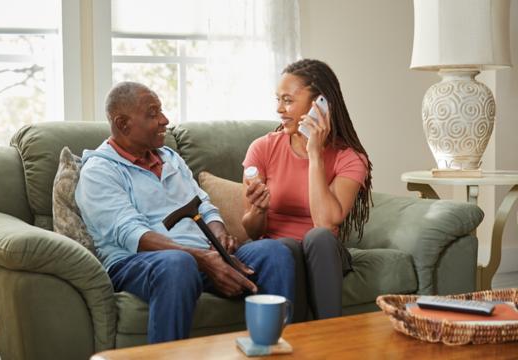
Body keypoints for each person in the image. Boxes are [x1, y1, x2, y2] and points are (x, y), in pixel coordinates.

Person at [75, 81, 295, 344]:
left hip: (201, 257)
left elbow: (203, 204)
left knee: (275, 252)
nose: (164, 120)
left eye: (161, 111)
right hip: (138, 262)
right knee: (178, 264)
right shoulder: (99, 171)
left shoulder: (170, 158)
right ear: (123, 124)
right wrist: (204, 259)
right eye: (153, 113)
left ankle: (276, 351)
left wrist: (220, 236)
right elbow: (135, 236)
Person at [242, 59, 373, 320]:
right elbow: (252, 230)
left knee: (319, 237)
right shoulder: (263, 148)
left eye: (288, 100)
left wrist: (315, 154)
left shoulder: (351, 158)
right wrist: (258, 210)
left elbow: (325, 223)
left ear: (319, 105)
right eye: (278, 99)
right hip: (278, 252)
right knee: (286, 247)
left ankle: (329, 337)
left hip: (323, 252)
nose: (279, 109)